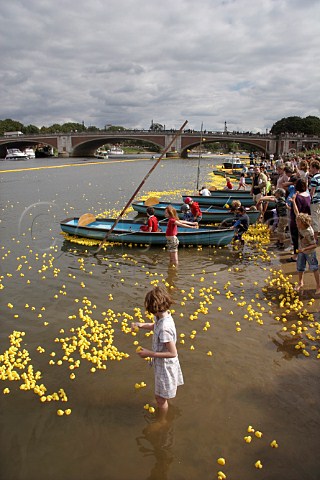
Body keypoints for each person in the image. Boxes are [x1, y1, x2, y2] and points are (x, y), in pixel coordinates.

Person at [132, 285, 184, 416]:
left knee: (160, 399)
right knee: (162, 395)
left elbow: (173, 353)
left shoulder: (165, 328)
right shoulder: (162, 317)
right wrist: (140, 325)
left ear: (154, 309)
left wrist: (148, 353)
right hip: (161, 364)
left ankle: (162, 421)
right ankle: (164, 402)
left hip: (166, 367)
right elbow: (155, 326)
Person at [291, 208, 320, 295]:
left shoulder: (309, 232)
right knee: (300, 267)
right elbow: (297, 212)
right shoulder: (300, 225)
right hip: (301, 251)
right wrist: (294, 201)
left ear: (303, 223)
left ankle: (318, 286)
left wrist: (304, 249)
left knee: (314, 268)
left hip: (310, 252)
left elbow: (315, 245)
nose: (296, 223)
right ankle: (300, 282)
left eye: (297, 222)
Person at [287, 180, 311, 262]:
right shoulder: (308, 196)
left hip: (297, 220)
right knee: (303, 238)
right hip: (306, 219)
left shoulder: (297, 197)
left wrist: (292, 202)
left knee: (295, 238)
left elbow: (296, 210)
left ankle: (295, 256)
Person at [309, 159, 320, 243]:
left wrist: (309, 200)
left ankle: (315, 238)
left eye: (311, 167)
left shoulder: (314, 178)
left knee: (315, 219)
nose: (310, 169)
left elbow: (312, 192)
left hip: (315, 201)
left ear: (314, 168)